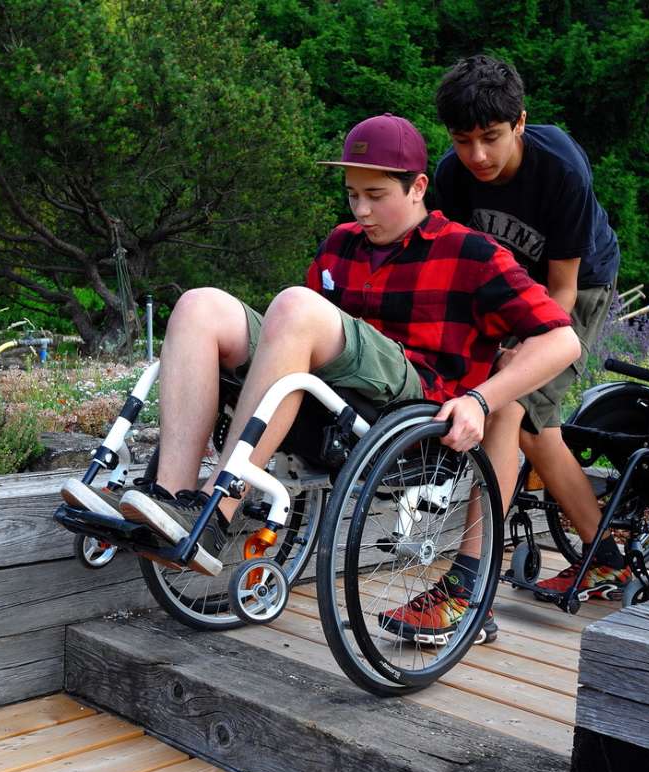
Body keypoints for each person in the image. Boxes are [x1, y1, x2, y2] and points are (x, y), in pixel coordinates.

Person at [67, 113, 579, 645]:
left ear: (419, 186)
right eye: (353, 194)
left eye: (376, 195)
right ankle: (172, 499)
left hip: (406, 399)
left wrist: (479, 399)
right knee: (200, 306)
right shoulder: (343, 244)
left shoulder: (470, 253)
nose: (361, 210)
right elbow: (299, 336)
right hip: (328, 396)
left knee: (294, 304)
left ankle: (216, 510)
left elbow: (562, 340)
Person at [432, 55, 629, 601]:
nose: (478, 155)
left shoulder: (560, 170)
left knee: (510, 409)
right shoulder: (452, 176)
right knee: (534, 431)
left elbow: (561, 291)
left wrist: (520, 357)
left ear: (520, 122)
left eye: (491, 137)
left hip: (577, 286)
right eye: (462, 140)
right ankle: (608, 559)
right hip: (506, 287)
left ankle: (470, 581)